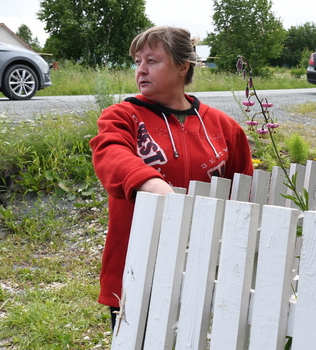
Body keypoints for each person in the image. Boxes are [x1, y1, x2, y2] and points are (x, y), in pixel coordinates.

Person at [90, 26, 254, 329]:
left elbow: (244, 192)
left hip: (204, 267)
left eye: (152, 61)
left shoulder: (225, 127)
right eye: (137, 61)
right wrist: (150, 183)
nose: (141, 70)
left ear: (182, 67)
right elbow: (109, 152)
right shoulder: (122, 116)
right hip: (135, 265)